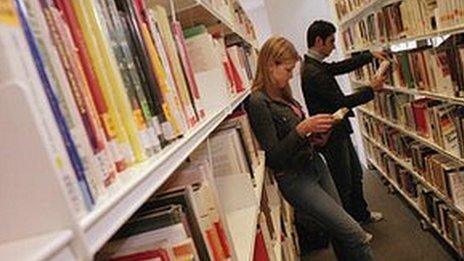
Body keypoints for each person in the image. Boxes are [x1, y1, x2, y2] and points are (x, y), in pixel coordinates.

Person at [246, 36, 374, 260]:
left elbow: (296, 138)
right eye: (287, 69)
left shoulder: (284, 96)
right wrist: (303, 129)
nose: (291, 75)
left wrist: (315, 137)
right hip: (296, 178)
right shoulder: (258, 102)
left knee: (340, 233)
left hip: (315, 164)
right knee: (355, 234)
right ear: (270, 65)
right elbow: (274, 157)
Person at [301, 20, 387, 224]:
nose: (334, 46)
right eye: (331, 41)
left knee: (355, 174)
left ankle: (361, 215)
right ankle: (351, 228)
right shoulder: (313, 73)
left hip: (337, 131)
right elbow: (342, 103)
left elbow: (339, 67)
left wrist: (368, 56)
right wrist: (370, 89)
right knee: (343, 183)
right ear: (319, 41)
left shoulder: (315, 65)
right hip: (331, 136)